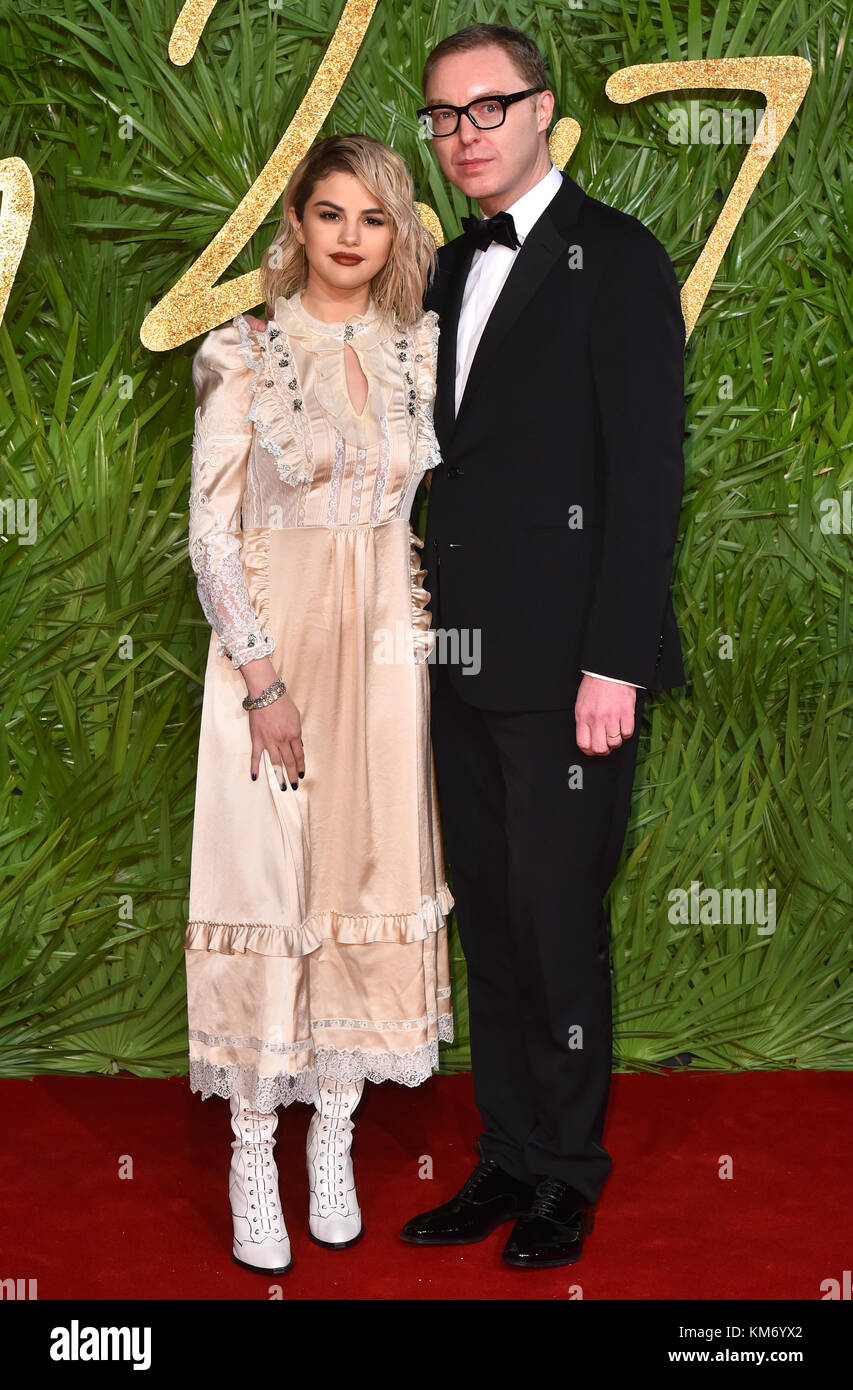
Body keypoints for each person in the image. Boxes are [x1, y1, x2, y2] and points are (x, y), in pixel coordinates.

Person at [401, 24, 687, 1268]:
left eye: (488, 107)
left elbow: (646, 473)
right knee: (492, 925)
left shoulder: (615, 260)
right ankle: (505, 1157)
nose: (466, 133)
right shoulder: (445, 273)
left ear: (542, 112)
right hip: (454, 662)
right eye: (445, 116)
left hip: (571, 671)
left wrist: (613, 662)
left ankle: (568, 1172)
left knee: (557, 919)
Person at [184, 133, 454, 1274]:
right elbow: (209, 528)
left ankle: (331, 1141)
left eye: (373, 218)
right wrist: (263, 680)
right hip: (275, 666)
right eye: (329, 212)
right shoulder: (242, 350)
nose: (349, 236)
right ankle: (256, 1150)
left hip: (385, 663)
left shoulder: (417, 351)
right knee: (270, 879)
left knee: (365, 876)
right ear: (295, 222)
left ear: (396, 236)